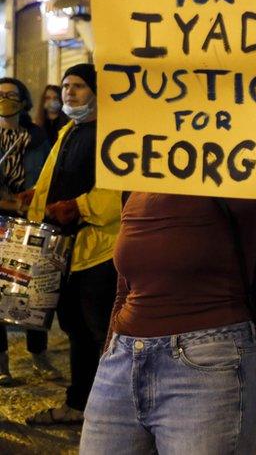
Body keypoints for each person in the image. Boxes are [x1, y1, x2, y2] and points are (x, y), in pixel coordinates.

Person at [78, 40, 256, 454]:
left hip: (207, 361)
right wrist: (113, 336)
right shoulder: (141, 161)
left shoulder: (228, 158)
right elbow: (129, 269)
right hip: (122, 357)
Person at [23, 65, 120, 426]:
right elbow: (54, 179)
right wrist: (35, 199)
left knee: (99, 333)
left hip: (100, 252)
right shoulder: (69, 131)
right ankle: (79, 404)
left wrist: (80, 207)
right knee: (76, 329)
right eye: (65, 86)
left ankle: (112, 412)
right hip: (67, 253)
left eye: (78, 86)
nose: (68, 93)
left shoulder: (112, 134)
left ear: (97, 91)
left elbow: (116, 193)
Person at [0, 77, 59, 385]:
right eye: (0, 95)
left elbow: (45, 174)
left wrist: (24, 202)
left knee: (33, 293)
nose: (6, 100)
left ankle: (39, 354)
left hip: (27, 220)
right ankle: (2, 362)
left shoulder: (36, 136)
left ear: (24, 100)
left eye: (11, 95)